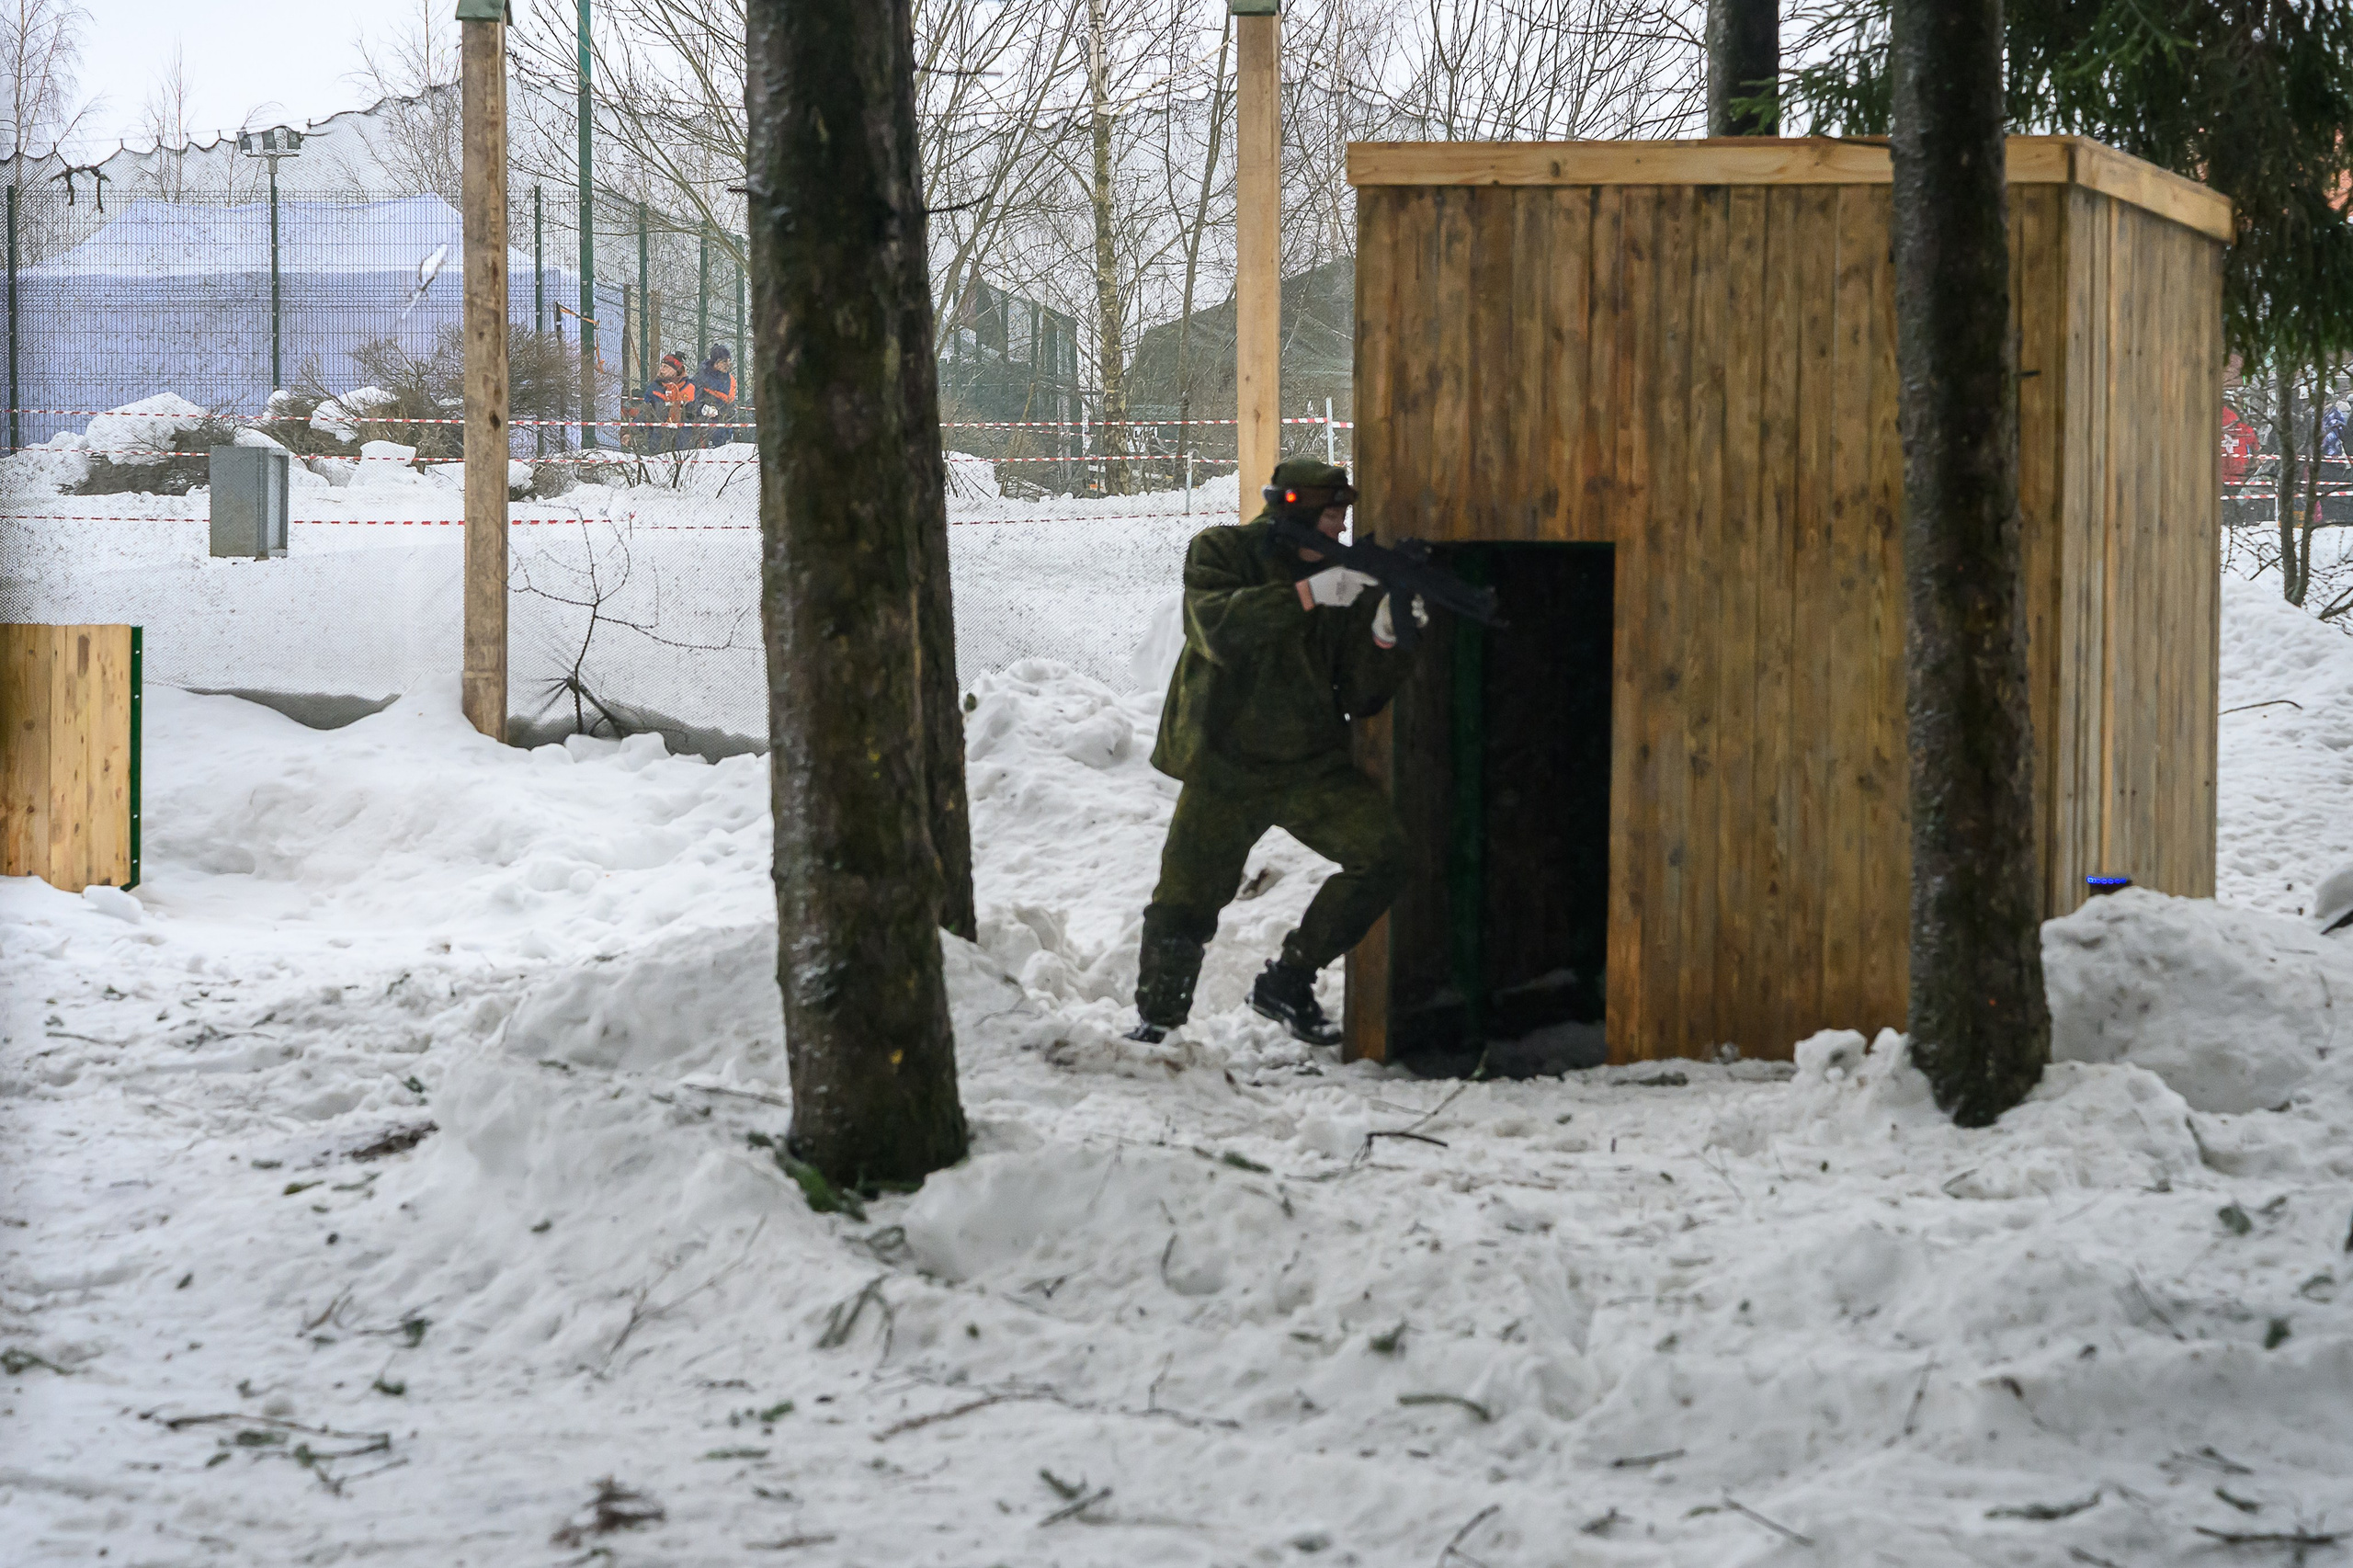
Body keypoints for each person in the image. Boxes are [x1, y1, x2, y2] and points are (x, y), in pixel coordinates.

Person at [1127, 456, 1428, 1047]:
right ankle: (1157, 1022)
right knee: (1184, 900)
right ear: (1291, 512)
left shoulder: (1346, 581)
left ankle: (1289, 980)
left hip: (1308, 766)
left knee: (1384, 857)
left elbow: (1362, 694)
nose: (1339, 531)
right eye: (1329, 517)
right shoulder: (1220, 551)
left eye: (1343, 517)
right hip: (1224, 763)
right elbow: (1216, 629)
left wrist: (1390, 636)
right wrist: (1307, 595)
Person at [646, 353, 695, 453]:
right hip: (658, 441)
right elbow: (645, 411)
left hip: (683, 442)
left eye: (666, 367)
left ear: (676, 371)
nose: (661, 370)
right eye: (661, 366)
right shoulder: (654, 388)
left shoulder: (690, 388)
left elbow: (694, 414)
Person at [691, 344, 738, 449]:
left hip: (727, 429)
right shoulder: (701, 379)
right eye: (724, 361)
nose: (728, 364)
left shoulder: (731, 380)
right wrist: (703, 409)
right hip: (707, 430)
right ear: (715, 363)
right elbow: (691, 402)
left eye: (729, 360)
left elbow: (731, 404)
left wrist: (735, 425)